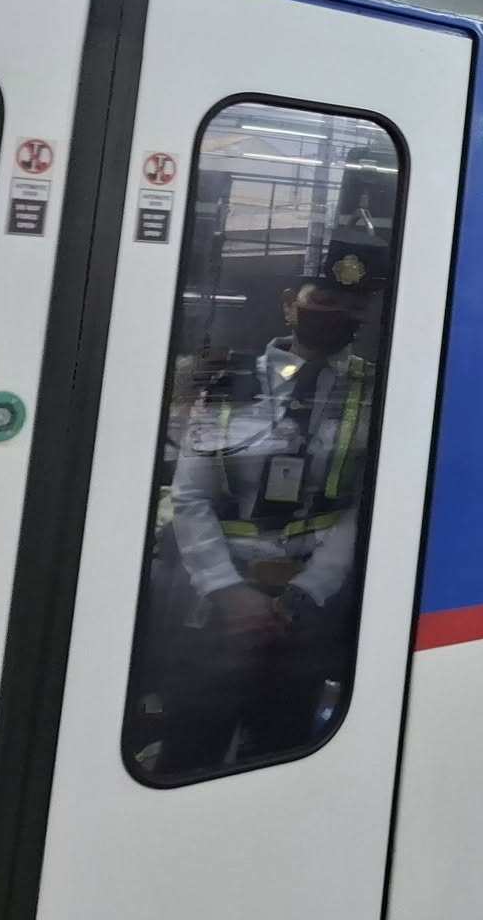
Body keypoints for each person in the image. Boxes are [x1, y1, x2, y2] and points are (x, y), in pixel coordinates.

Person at [160, 268, 377, 773]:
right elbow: (191, 495)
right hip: (217, 603)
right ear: (289, 304)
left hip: (310, 609)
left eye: (351, 306)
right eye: (323, 299)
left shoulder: (374, 390)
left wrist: (305, 592)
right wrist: (229, 592)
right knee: (190, 750)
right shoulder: (228, 379)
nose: (336, 314)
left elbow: (362, 505)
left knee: (283, 751)